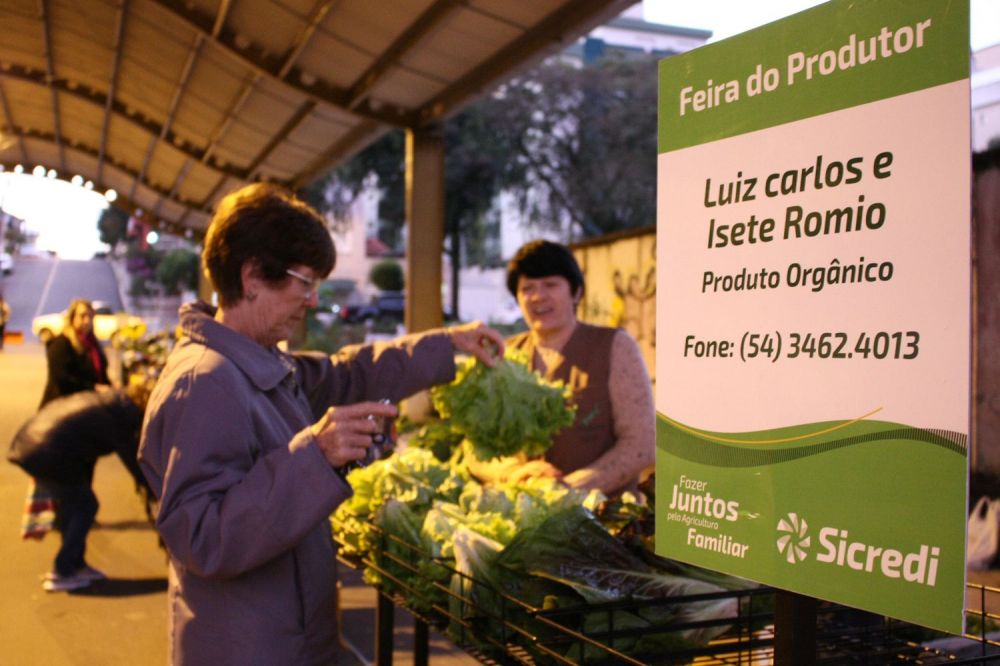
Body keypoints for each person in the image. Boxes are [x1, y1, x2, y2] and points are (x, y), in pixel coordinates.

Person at [137, 182, 504, 665]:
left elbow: (349, 374)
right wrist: (316, 455)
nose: (312, 300)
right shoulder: (206, 382)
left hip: (292, 638)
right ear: (251, 277)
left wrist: (448, 345)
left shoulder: (260, 363)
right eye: (304, 282)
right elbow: (203, 538)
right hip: (248, 650)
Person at [467, 239, 655, 496]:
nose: (537, 296)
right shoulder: (503, 354)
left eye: (550, 285)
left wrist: (572, 487)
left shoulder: (615, 347)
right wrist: (513, 473)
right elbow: (475, 447)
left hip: (603, 519)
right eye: (527, 288)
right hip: (524, 514)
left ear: (576, 292)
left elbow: (641, 445)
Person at [7, 384, 152, 592]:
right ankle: (63, 570)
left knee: (72, 506)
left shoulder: (111, 402)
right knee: (86, 506)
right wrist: (157, 489)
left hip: (34, 445)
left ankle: (76, 564)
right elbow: (134, 461)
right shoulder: (121, 416)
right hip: (46, 452)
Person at [40, 299, 111, 406]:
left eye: (91, 316)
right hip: (60, 407)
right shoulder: (61, 343)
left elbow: (100, 374)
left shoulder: (93, 344)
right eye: (82, 316)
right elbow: (62, 379)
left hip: (87, 404)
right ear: (72, 318)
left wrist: (111, 387)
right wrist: (94, 387)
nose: (87, 321)